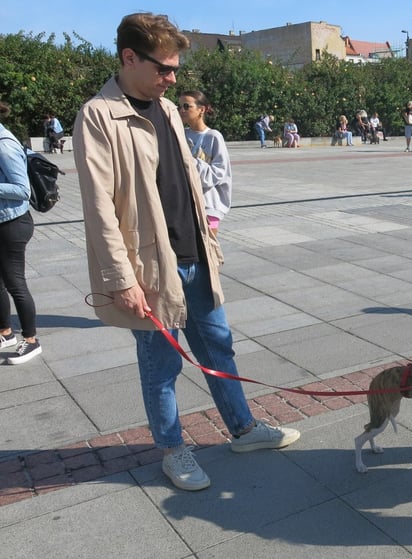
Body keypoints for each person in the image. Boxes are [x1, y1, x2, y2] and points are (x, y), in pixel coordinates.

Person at [73, 12, 300, 492]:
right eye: (164, 68)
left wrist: (210, 244)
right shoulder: (99, 115)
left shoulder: (171, 109)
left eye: (175, 69)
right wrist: (122, 279)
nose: (172, 79)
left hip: (196, 255)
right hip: (152, 267)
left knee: (219, 346)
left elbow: (189, 187)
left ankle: (242, 429)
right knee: (162, 365)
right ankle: (174, 450)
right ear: (129, 57)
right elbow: (98, 210)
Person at [0, 101, 42, 365]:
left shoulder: (4, 143)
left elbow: (21, 189)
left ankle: (31, 340)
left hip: (12, 224)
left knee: (15, 283)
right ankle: (5, 332)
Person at [178, 90, 232, 239]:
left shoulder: (213, 136)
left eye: (186, 106)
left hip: (208, 205)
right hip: (185, 203)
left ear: (201, 109)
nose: (181, 110)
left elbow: (220, 172)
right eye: (179, 106)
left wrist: (191, 161)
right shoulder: (181, 133)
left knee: (209, 251)